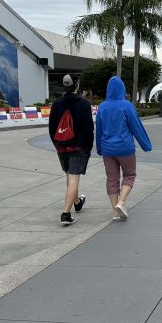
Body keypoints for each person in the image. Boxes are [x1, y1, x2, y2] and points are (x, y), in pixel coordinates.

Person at [96, 76, 153, 220]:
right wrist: (146, 145)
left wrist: (99, 148)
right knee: (130, 175)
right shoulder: (126, 106)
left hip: (107, 149)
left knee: (112, 179)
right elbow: (136, 127)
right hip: (125, 148)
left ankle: (115, 212)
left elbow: (99, 131)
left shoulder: (102, 107)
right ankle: (121, 203)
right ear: (122, 89)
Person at [49, 74, 94, 225]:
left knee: (69, 176)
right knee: (74, 177)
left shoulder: (56, 104)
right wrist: (88, 146)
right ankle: (65, 214)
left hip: (61, 146)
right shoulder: (84, 104)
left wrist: (57, 144)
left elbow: (52, 128)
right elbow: (88, 129)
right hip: (78, 146)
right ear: (76, 85)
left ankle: (77, 202)